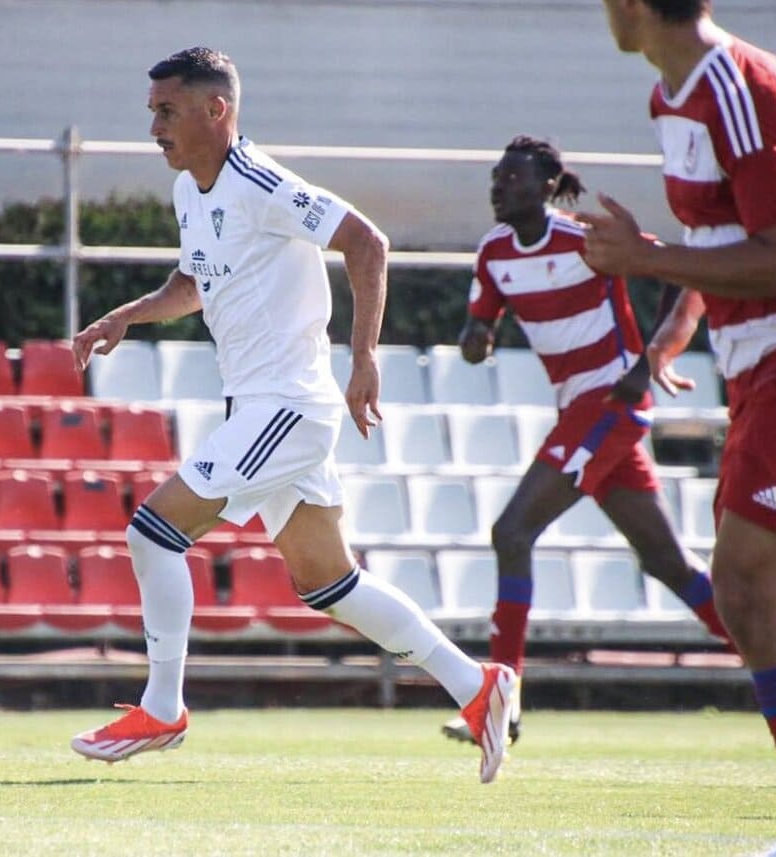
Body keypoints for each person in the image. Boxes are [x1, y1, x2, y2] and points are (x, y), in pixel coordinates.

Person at [68, 47, 515, 783]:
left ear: (217, 110)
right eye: (152, 111)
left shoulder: (260, 181)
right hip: (264, 408)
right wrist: (128, 316)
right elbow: (195, 282)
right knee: (329, 582)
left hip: (287, 406)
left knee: (152, 532)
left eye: (166, 111)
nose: (154, 127)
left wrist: (363, 358)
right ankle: (477, 685)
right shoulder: (191, 191)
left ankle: (163, 706)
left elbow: (366, 242)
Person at [582, 2, 776, 854]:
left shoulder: (742, 92)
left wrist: (643, 258)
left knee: (747, 596)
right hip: (761, 364)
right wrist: (676, 325)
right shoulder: (671, 95)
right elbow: (722, 236)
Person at [439, 135, 732, 747]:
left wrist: (648, 361)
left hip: (611, 404)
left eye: (513, 177)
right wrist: (475, 340)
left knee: (511, 532)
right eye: (496, 176)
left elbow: (678, 274)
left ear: (548, 186)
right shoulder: (494, 252)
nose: (499, 186)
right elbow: (479, 326)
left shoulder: (585, 239)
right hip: (579, 409)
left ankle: (503, 700)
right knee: (667, 564)